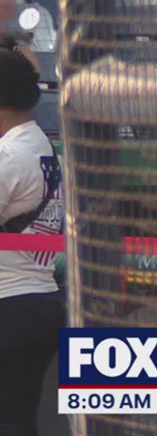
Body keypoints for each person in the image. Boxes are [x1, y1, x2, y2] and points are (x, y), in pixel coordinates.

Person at [0, 49, 64, 436]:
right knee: (15, 420)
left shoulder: (9, 155)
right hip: (37, 304)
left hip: (9, 306)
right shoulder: (40, 144)